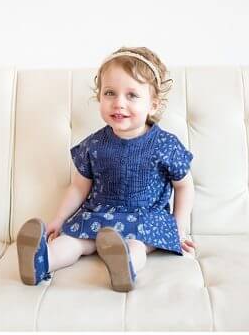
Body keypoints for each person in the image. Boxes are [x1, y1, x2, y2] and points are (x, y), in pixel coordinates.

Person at [17, 47, 194, 293]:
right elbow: (79, 187)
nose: (119, 103)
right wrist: (58, 219)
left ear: (153, 105)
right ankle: (40, 262)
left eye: (132, 95)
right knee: (72, 243)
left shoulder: (165, 145)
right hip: (98, 217)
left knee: (136, 245)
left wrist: (179, 226)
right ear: (99, 97)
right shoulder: (94, 144)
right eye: (110, 93)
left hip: (146, 219)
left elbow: (184, 185)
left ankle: (124, 266)